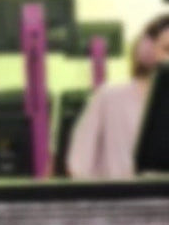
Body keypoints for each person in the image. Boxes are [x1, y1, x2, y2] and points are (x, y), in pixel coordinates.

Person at [67, 13, 169, 179]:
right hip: (122, 194)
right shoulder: (110, 97)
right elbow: (79, 164)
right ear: (146, 52)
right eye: (167, 49)